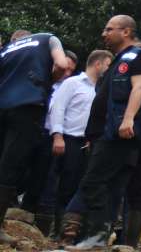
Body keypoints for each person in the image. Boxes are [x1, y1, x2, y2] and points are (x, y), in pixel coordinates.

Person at [70, 15, 141, 250]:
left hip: (122, 133)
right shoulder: (119, 61)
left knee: (93, 182)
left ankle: (100, 237)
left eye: (109, 29)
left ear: (126, 31)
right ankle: (106, 239)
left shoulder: (136, 57)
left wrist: (128, 118)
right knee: (115, 187)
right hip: (110, 134)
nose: (104, 33)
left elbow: (139, 87)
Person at [0, 29, 73, 244]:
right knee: (9, 168)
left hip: (3, 106)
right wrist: (49, 81)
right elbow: (61, 64)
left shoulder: (7, 49)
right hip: (28, 106)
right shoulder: (48, 38)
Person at [41, 50, 111, 239]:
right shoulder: (72, 83)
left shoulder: (103, 88)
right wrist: (58, 136)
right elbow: (58, 108)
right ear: (98, 64)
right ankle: (59, 232)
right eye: (108, 64)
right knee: (66, 187)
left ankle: (77, 233)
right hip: (70, 140)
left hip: (92, 143)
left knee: (85, 187)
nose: (109, 69)